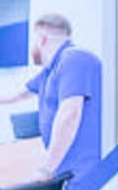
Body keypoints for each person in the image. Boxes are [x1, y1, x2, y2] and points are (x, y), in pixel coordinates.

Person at [26, 11, 106, 180]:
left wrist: (47, 168)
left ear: (41, 39)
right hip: (67, 167)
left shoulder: (75, 59)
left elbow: (70, 114)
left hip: (83, 171)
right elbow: (21, 93)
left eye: (33, 40)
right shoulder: (53, 67)